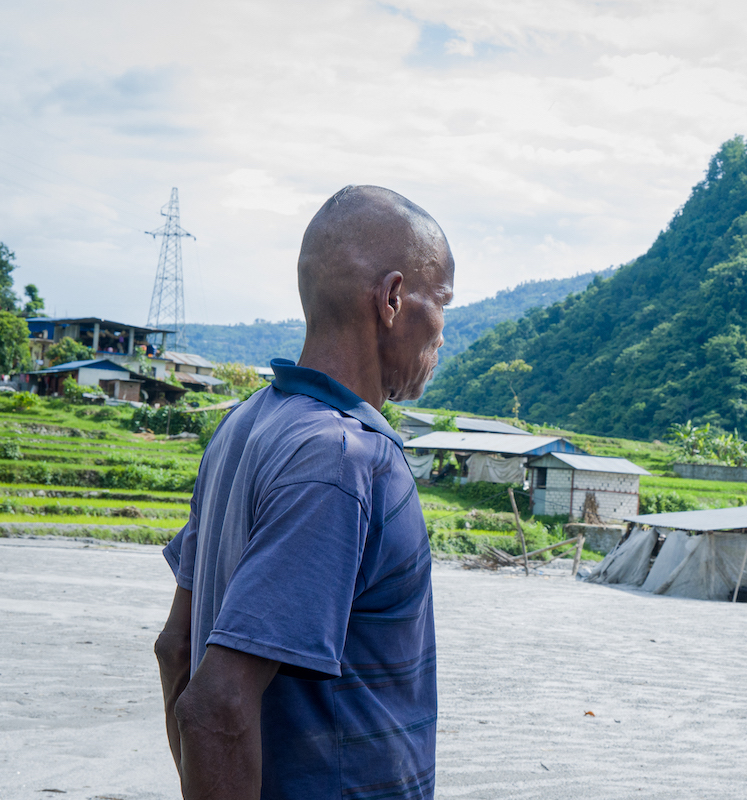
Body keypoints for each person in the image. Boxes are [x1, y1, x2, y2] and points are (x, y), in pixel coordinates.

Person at [154, 185, 454, 800]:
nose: (443, 333)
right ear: (393, 299)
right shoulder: (344, 457)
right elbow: (215, 706)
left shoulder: (245, 425)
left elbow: (176, 647)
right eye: (442, 302)